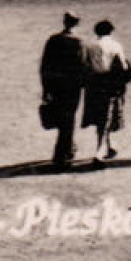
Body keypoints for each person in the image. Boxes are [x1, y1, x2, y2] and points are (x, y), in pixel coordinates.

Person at [39, 12, 89, 169]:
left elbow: (45, 66)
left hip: (55, 85)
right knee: (69, 118)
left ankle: (68, 148)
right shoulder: (79, 43)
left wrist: (46, 88)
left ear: (64, 22)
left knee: (61, 117)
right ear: (77, 24)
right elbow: (83, 67)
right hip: (72, 87)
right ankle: (61, 153)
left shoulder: (53, 40)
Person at [82, 20, 131, 164]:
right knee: (107, 116)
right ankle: (99, 152)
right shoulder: (115, 45)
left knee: (101, 115)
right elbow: (123, 66)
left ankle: (109, 145)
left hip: (94, 84)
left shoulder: (90, 46)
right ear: (110, 31)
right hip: (110, 84)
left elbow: (85, 65)